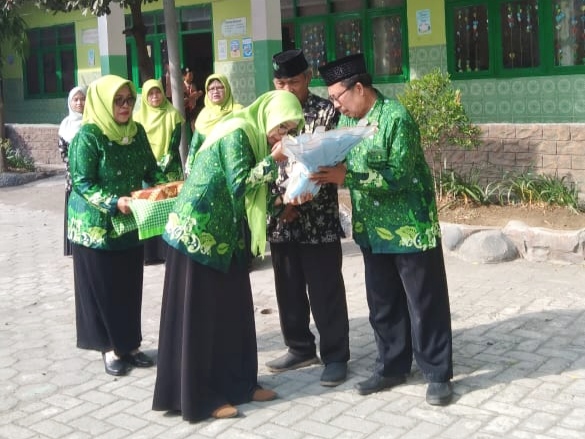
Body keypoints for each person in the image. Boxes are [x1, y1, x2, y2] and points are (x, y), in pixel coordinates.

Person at [152, 90, 305, 422]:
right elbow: (239, 184)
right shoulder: (237, 131)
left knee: (233, 314)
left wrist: (284, 206)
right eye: (281, 128)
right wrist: (272, 161)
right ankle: (200, 397)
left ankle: (240, 384)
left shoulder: (253, 138)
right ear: (267, 117)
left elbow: (253, 193)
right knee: (202, 318)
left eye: (291, 131)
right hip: (198, 234)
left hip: (227, 237)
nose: (284, 137)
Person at [314, 54, 454, 405]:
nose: (336, 105)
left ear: (359, 88)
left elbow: (401, 176)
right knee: (383, 303)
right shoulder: (354, 125)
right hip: (373, 232)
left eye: (338, 97)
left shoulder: (396, 118)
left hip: (408, 229)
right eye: (331, 99)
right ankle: (392, 365)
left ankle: (437, 372)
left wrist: (348, 177)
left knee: (424, 303)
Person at [67, 74, 167, 377]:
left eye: (129, 100)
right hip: (95, 227)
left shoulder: (135, 132)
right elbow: (82, 182)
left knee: (128, 286)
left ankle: (130, 344)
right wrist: (113, 202)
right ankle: (109, 347)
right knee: (103, 289)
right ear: (103, 102)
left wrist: (170, 187)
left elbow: (151, 169)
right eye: (118, 100)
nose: (125, 106)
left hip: (129, 222)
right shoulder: (89, 136)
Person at [265, 49, 350, 387]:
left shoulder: (326, 110)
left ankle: (335, 356)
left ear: (309, 77)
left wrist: (297, 199)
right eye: (281, 83)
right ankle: (299, 347)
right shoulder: (267, 113)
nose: (287, 89)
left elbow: (328, 155)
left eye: (295, 82)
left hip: (318, 216)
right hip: (280, 217)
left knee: (325, 289)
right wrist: (277, 205)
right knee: (287, 287)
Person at [134, 78, 185, 265]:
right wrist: (149, 165)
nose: (155, 97)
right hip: (146, 169)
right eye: (150, 93)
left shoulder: (173, 114)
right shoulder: (137, 118)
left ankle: (169, 250)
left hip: (169, 169)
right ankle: (150, 253)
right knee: (148, 207)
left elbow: (174, 143)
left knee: (170, 207)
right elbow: (136, 143)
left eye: (157, 92)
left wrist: (161, 165)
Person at [184, 73, 243, 177]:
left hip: (234, 169)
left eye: (220, 87)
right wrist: (190, 170)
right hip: (208, 172)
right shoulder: (203, 116)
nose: (215, 91)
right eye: (211, 89)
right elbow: (195, 145)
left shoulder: (238, 111)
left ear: (227, 89)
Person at [58, 85, 86, 256]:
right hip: (73, 177)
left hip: (91, 177)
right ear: (70, 102)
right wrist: (76, 169)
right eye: (75, 99)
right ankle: (73, 246)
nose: (79, 103)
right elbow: (63, 153)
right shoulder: (65, 125)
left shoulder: (92, 122)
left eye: (82, 99)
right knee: (74, 209)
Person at [182, 67, 203, 133]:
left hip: (193, 109)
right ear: (184, 76)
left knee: (195, 127)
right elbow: (181, 100)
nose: (192, 77)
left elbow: (200, 92)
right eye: (189, 75)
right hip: (185, 110)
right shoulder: (181, 86)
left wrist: (198, 94)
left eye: (192, 75)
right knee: (183, 127)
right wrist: (190, 97)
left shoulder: (193, 85)